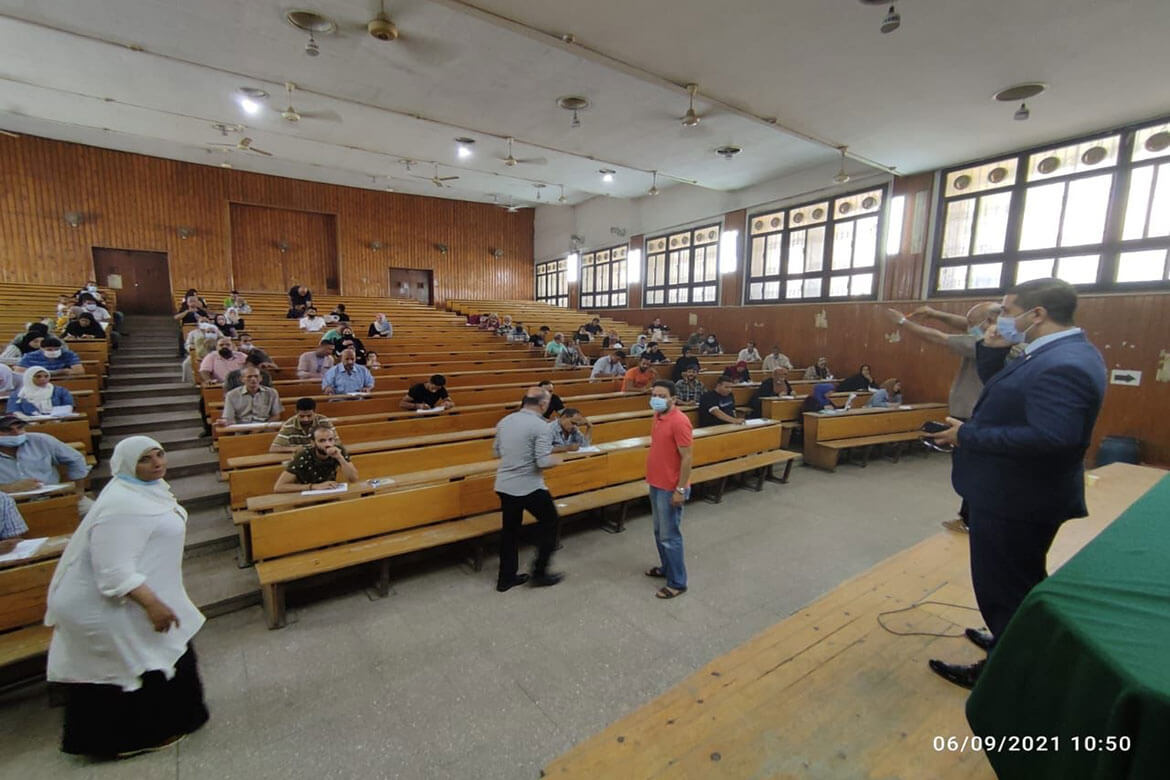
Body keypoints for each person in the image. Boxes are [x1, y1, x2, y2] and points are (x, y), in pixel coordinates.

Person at [925, 278, 1106, 690]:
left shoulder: (1064, 364)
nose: (999, 319)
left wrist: (966, 435)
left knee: (1005, 585)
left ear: (1036, 314)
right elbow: (1004, 392)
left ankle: (1003, 676)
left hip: (1018, 499)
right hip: (1017, 493)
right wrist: (991, 349)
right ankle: (1011, 638)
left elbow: (1054, 440)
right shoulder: (1056, 352)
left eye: (1006, 311)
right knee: (1013, 582)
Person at [44, 436, 209, 758]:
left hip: (139, 592)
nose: (157, 462)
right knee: (128, 668)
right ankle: (129, 739)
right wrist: (152, 603)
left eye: (159, 454)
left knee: (168, 655)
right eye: (145, 459)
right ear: (127, 465)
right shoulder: (121, 504)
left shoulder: (146, 491)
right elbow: (112, 570)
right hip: (109, 603)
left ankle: (179, 719)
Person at [887, 301, 1002, 533]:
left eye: (973, 323)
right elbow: (966, 323)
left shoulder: (987, 344)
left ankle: (971, 521)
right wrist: (933, 313)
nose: (968, 327)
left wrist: (902, 322)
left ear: (990, 322)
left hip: (973, 417)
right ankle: (968, 516)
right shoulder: (996, 334)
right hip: (975, 416)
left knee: (970, 471)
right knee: (973, 470)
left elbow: (938, 337)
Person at [492, 387, 564, 592]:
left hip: (505, 484)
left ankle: (505, 579)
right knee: (551, 522)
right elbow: (542, 462)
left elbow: (496, 451)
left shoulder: (505, 421)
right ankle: (539, 573)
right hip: (529, 486)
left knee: (510, 532)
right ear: (542, 404)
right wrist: (557, 459)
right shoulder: (542, 426)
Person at [645, 380, 692, 599]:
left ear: (673, 399)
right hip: (656, 482)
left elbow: (687, 458)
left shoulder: (680, 421)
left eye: (662, 395)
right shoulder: (658, 415)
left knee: (670, 535)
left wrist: (680, 489)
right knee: (659, 532)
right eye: (654, 394)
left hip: (671, 487)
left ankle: (677, 582)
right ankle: (666, 568)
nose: (656, 398)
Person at [0, 415, 90, 512]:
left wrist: (79, 490)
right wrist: (11, 488)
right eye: (7, 430)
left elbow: (75, 458)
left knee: (93, 512)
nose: (16, 433)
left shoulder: (41, 440)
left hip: (53, 496)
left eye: (20, 428)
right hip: (8, 506)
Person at [273, 425, 359, 492]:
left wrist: (340, 458)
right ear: (313, 443)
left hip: (329, 492)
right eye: (322, 441)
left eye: (330, 439)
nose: (327, 444)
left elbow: (354, 479)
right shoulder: (304, 456)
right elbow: (279, 487)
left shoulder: (339, 451)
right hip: (305, 496)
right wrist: (313, 486)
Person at [217, 366, 283, 426]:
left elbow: (276, 416)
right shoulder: (231, 395)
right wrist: (224, 422)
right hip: (241, 428)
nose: (253, 379)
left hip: (264, 426)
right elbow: (229, 418)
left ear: (260, 378)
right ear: (242, 379)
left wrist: (260, 428)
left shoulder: (272, 392)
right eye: (249, 377)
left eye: (256, 376)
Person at [270, 398, 337, 453]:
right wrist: (294, 449)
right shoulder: (289, 424)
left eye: (309, 416)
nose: (306, 419)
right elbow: (273, 448)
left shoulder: (324, 421)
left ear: (315, 412)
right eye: (302, 416)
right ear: (296, 412)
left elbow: (337, 442)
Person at [7, 366, 73, 416]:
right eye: (38, 376)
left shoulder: (60, 391)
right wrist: (28, 420)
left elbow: (68, 406)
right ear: (29, 377)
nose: (43, 379)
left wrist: (57, 419)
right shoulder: (18, 394)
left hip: (57, 421)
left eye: (46, 376)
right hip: (28, 423)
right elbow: (14, 411)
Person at [18, 337, 83, 376]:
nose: (53, 351)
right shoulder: (30, 356)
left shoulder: (69, 354)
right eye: (49, 349)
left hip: (62, 381)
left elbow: (79, 371)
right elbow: (19, 371)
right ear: (41, 348)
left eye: (57, 349)